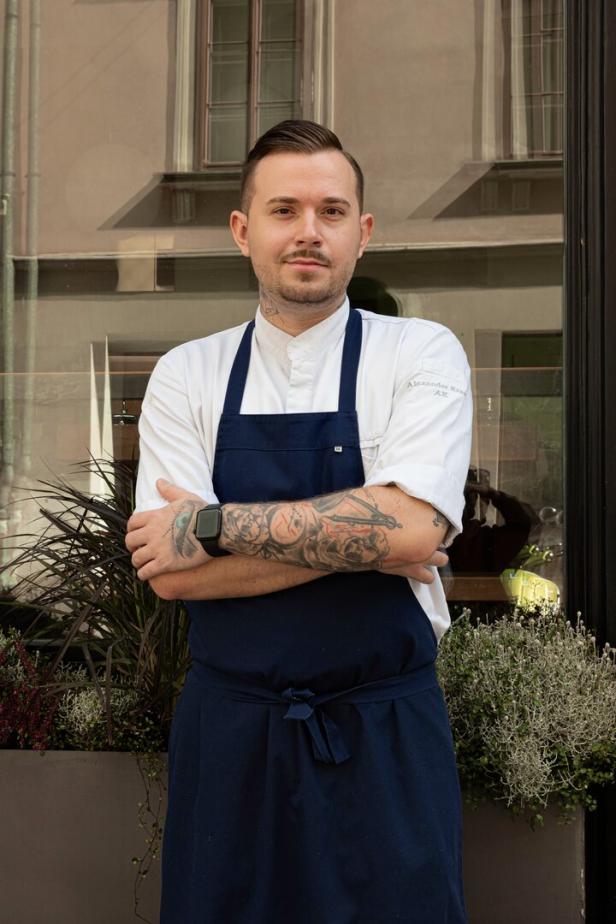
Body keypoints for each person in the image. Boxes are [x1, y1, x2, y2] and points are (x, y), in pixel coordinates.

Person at [125, 120, 472, 924]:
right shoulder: (188, 374)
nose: (308, 232)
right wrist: (370, 538)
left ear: (363, 232)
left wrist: (211, 526)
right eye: (285, 210)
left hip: (385, 735)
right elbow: (169, 572)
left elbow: (413, 532)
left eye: (332, 211)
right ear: (244, 231)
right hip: (232, 741)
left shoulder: (419, 353)